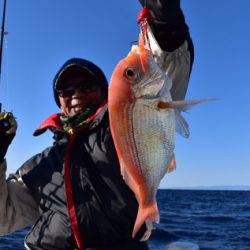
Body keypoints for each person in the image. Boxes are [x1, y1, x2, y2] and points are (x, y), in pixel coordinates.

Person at [0, 1, 194, 249]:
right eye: (67, 90)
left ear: (106, 93)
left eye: (87, 86)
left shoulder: (117, 129)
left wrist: (165, 22)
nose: (76, 94)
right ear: (59, 101)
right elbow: (2, 219)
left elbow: (164, 70)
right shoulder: (41, 165)